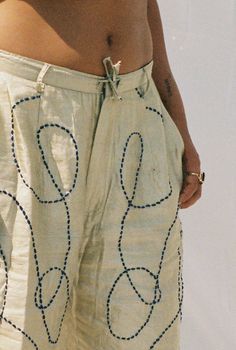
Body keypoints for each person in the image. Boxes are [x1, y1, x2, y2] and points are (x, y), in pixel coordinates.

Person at [0, 1, 205, 349]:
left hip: (137, 112)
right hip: (30, 110)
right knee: (20, 319)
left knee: (140, 327)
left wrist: (172, 108)